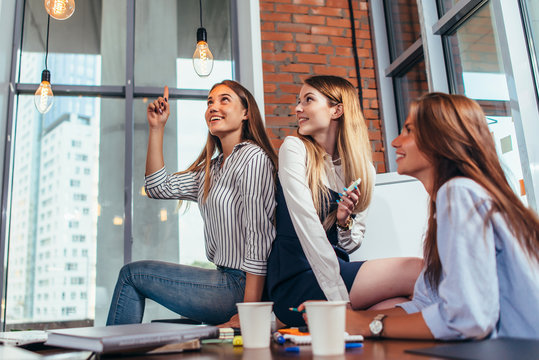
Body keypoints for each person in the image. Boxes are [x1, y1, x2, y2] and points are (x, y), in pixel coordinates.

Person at [343, 92, 539, 340]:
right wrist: (344, 319)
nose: (394, 141)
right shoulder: (447, 202)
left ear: (440, 138)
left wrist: (366, 325)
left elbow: (468, 319)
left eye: (409, 130)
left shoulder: (458, 192)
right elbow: (426, 306)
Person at [107, 80, 278, 327]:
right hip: (226, 279)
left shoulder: (252, 158)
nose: (213, 107)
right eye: (210, 102)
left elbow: (259, 237)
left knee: (133, 275)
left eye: (224, 100)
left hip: (243, 286)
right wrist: (157, 128)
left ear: (245, 113)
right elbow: (157, 187)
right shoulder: (213, 169)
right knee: (132, 275)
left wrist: (248, 315)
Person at [266, 75, 423, 327]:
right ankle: (338, 318)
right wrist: (339, 300)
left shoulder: (363, 170)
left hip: (336, 271)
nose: (298, 108)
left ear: (337, 110)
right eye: (299, 101)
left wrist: (343, 223)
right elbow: (306, 226)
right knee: (416, 271)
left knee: (400, 305)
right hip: (298, 277)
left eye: (308, 100)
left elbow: (352, 243)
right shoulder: (294, 149)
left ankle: (347, 324)